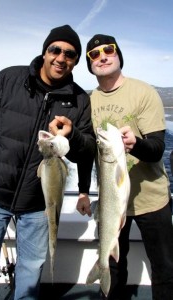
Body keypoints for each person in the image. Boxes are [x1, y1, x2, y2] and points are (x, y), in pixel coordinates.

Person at [0, 24, 96, 300]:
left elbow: (87, 150)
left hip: (38, 203)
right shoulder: (9, 79)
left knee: (31, 267)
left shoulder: (79, 100)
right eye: (55, 50)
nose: (61, 58)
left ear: (76, 61)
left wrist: (73, 135)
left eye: (70, 54)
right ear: (44, 52)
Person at [76, 33, 173, 300]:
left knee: (165, 268)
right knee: (115, 266)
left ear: (118, 55)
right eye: (94, 54)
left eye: (108, 50)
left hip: (152, 201)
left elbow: (157, 149)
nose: (102, 56)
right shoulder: (88, 101)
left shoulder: (144, 92)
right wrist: (83, 191)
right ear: (89, 64)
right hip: (110, 202)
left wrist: (135, 144)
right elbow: (86, 152)